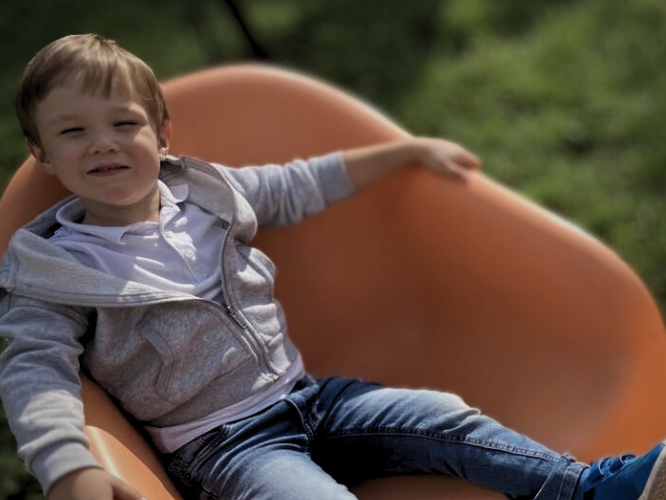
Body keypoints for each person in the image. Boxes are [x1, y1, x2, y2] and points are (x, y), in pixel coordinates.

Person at [0, 33, 664, 500]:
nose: (104, 144)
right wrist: (66, 465)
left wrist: (401, 152)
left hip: (313, 398)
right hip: (223, 447)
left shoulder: (207, 192)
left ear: (162, 135)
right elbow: (34, 370)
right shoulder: (53, 268)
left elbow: (298, 183)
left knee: (444, 418)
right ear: (42, 153)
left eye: (124, 124)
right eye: (74, 131)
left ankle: (594, 488)